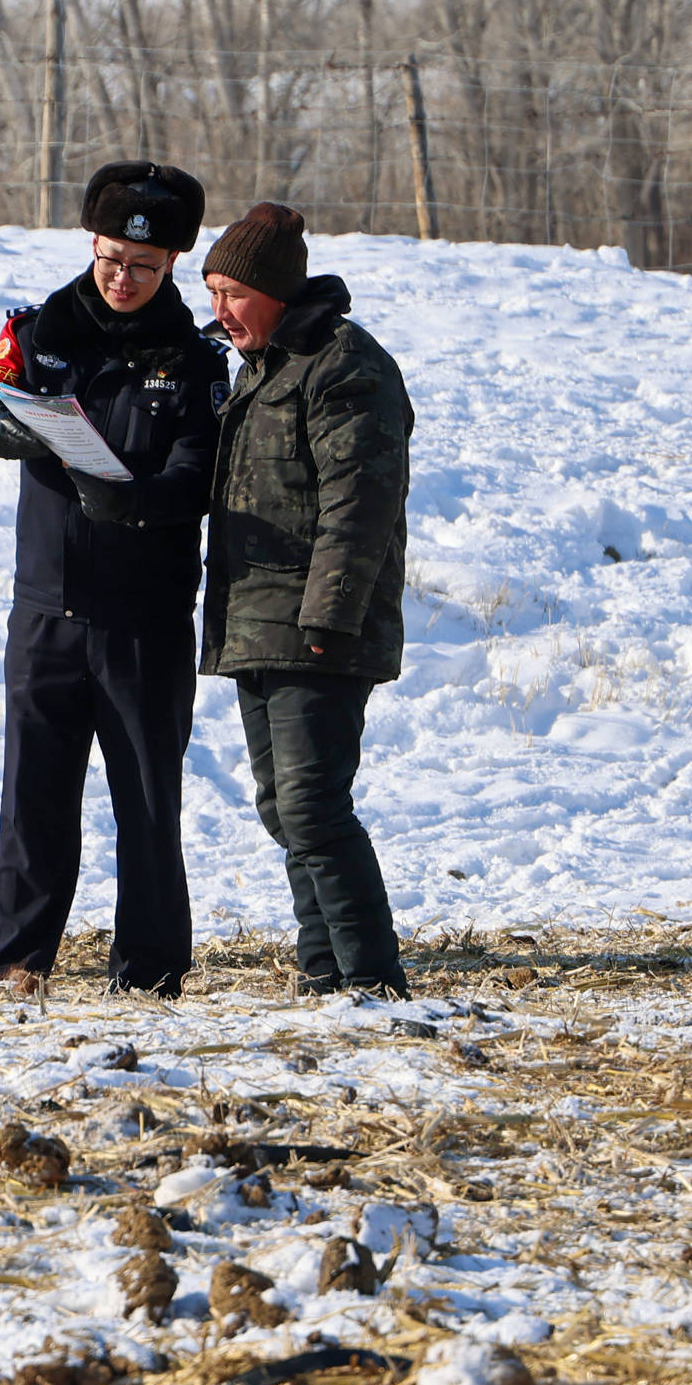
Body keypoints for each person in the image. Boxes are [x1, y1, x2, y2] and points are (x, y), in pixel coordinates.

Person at [0, 159, 224, 998]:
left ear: (173, 263)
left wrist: (129, 502)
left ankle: (148, 972)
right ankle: (17, 960)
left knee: (148, 800)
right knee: (32, 794)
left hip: (142, 616)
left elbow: (196, 476)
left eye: (144, 267)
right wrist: (19, 432)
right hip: (46, 608)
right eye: (111, 258)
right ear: (92, 244)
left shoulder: (191, 358)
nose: (123, 278)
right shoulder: (41, 334)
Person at [197, 204, 414, 1000]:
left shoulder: (343, 364)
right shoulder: (266, 367)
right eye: (213, 289)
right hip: (257, 624)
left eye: (235, 293)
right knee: (283, 807)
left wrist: (328, 617)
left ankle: (371, 975)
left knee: (317, 806)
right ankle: (323, 969)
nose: (221, 310)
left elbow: (359, 506)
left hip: (316, 629)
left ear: (279, 292)